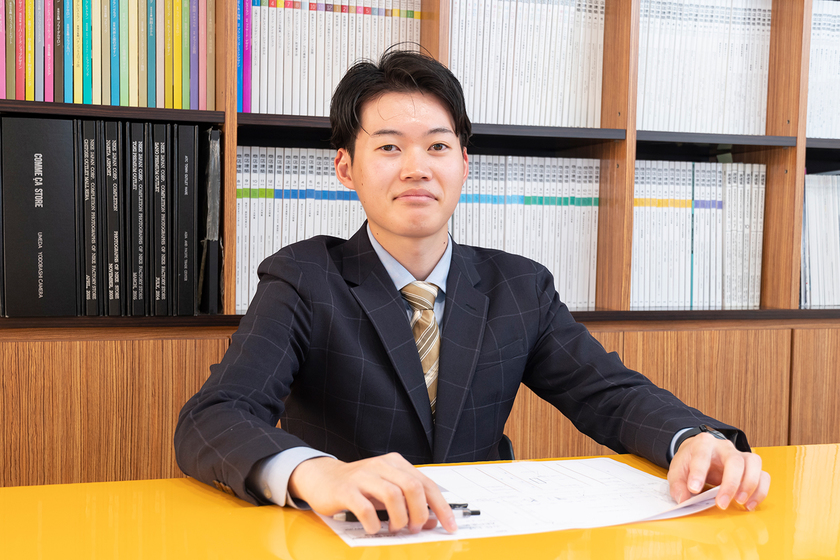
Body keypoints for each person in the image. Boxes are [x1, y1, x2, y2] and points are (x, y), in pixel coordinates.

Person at [174, 50, 770, 536]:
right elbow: (214, 416)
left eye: (437, 146)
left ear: (464, 163)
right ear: (346, 168)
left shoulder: (519, 286)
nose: (416, 167)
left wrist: (693, 439)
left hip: (484, 537)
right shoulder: (304, 277)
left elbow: (609, 394)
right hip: (348, 539)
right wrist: (317, 473)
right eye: (389, 146)